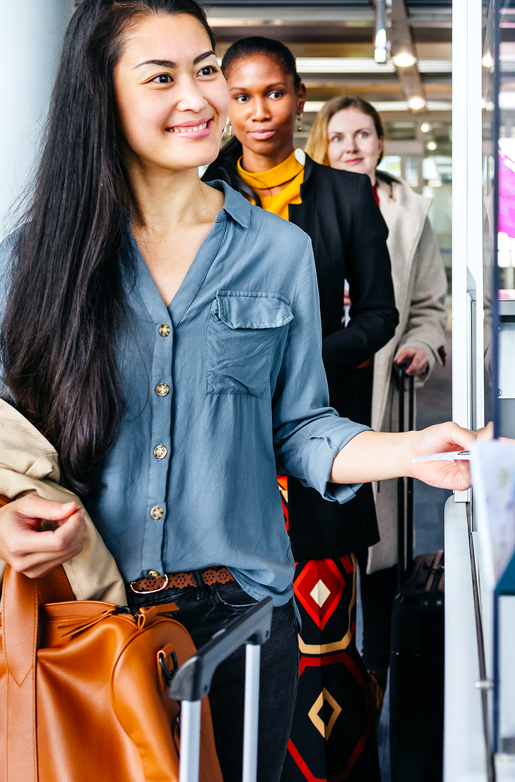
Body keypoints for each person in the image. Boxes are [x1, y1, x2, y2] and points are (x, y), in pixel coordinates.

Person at [0, 0, 473, 782]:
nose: (200, 96)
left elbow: (300, 426)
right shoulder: (35, 262)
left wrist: (410, 452)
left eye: (204, 69)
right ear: (100, 94)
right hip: (80, 618)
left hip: (240, 626)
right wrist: (1, 528)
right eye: (161, 76)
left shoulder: (278, 253)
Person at [201, 39, 397, 782]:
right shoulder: (201, 189)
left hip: (317, 443)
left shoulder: (347, 197)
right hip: (227, 454)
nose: (258, 111)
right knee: (232, 634)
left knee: (322, 637)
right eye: (243, 96)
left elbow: (380, 315)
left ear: (299, 97)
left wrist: (304, 360)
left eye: (273, 93)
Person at [306, 95, 449, 707]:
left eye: (364, 134)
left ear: (382, 143)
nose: (353, 146)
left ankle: (378, 679)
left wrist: (420, 345)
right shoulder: (297, 201)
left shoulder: (411, 213)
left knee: (379, 540)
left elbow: (429, 308)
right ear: (323, 143)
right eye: (340, 136)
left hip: (382, 387)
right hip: (315, 381)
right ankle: (319, 667)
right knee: (320, 530)